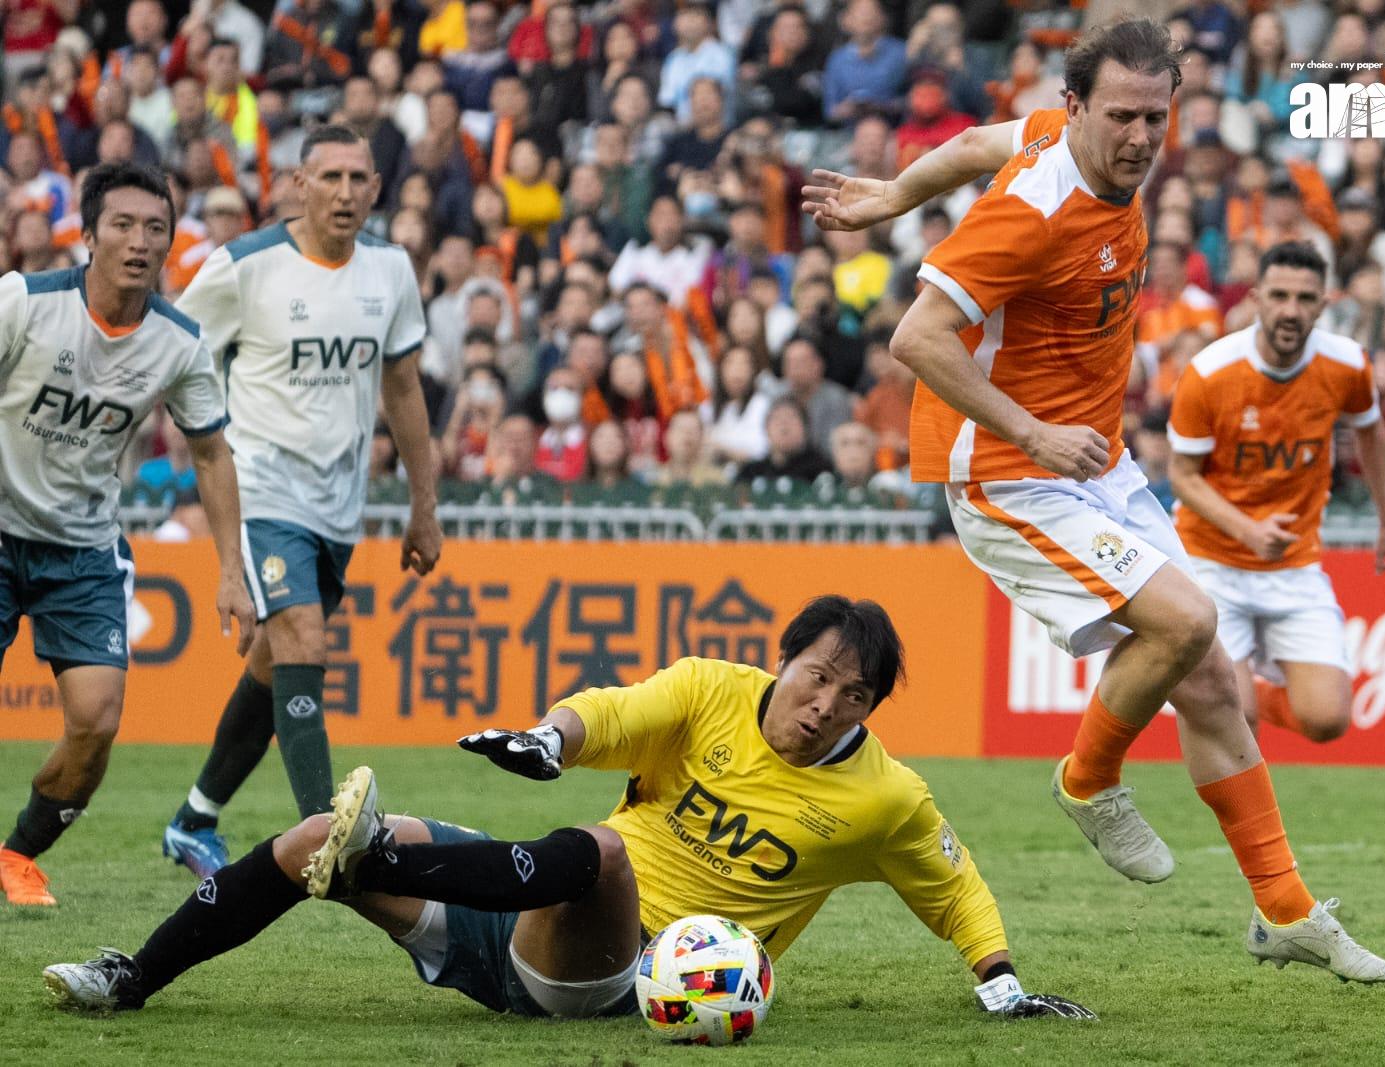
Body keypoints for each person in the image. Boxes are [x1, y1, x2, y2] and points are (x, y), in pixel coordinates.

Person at [802, 18, 1385, 982]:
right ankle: (1088, 779)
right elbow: (917, 338)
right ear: (1076, 107)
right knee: (1188, 620)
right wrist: (1033, 432)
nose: (1140, 136)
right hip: (1009, 474)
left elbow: (973, 140)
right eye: (1121, 116)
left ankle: (1284, 910)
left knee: (1211, 679)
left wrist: (895, 193)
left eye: (1156, 117)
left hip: (1094, 463)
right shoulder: (1032, 211)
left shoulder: (1071, 143)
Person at [45, 598, 1094, 1023]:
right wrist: (550, 739)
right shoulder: (712, 689)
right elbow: (615, 711)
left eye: (852, 695)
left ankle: (372, 857)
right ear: (784, 658)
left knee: (603, 851)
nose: (824, 704)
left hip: (618, 969)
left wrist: (1000, 979)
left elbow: (952, 883)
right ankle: (129, 977)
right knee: (310, 839)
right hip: (521, 908)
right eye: (816, 674)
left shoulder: (885, 796)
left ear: (869, 709)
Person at [160, 125, 442, 880]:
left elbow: (403, 388)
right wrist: (204, 444)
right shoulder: (245, 266)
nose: (345, 192)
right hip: (261, 487)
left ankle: (194, 819)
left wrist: (424, 504)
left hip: (338, 504)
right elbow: (172, 351)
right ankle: (330, 839)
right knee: (303, 637)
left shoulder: (389, 268)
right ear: (298, 183)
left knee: (275, 660)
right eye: (330, 177)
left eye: (358, 178)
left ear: (376, 188)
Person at [0, 162, 255, 906]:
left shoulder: (178, 343)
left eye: (155, 229)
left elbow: (211, 453)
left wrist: (230, 570)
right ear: (87, 235)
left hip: (83, 547)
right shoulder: (23, 303)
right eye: (122, 225)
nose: (139, 242)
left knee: (96, 724)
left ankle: (16, 856)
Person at [1166, 241, 1385, 744]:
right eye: (1279, 296)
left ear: (1324, 303)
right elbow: (1182, 476)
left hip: (1293, 563)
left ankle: (1250, 694)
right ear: (1256, 299)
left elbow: (1371, 431)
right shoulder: (1210, 373)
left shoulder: (1347, 364)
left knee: (1327, 720)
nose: (1291, 311)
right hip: (1211, 560)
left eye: (1305, 299)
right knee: (1233, 721)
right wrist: (1248, 531)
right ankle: (1235, 701)